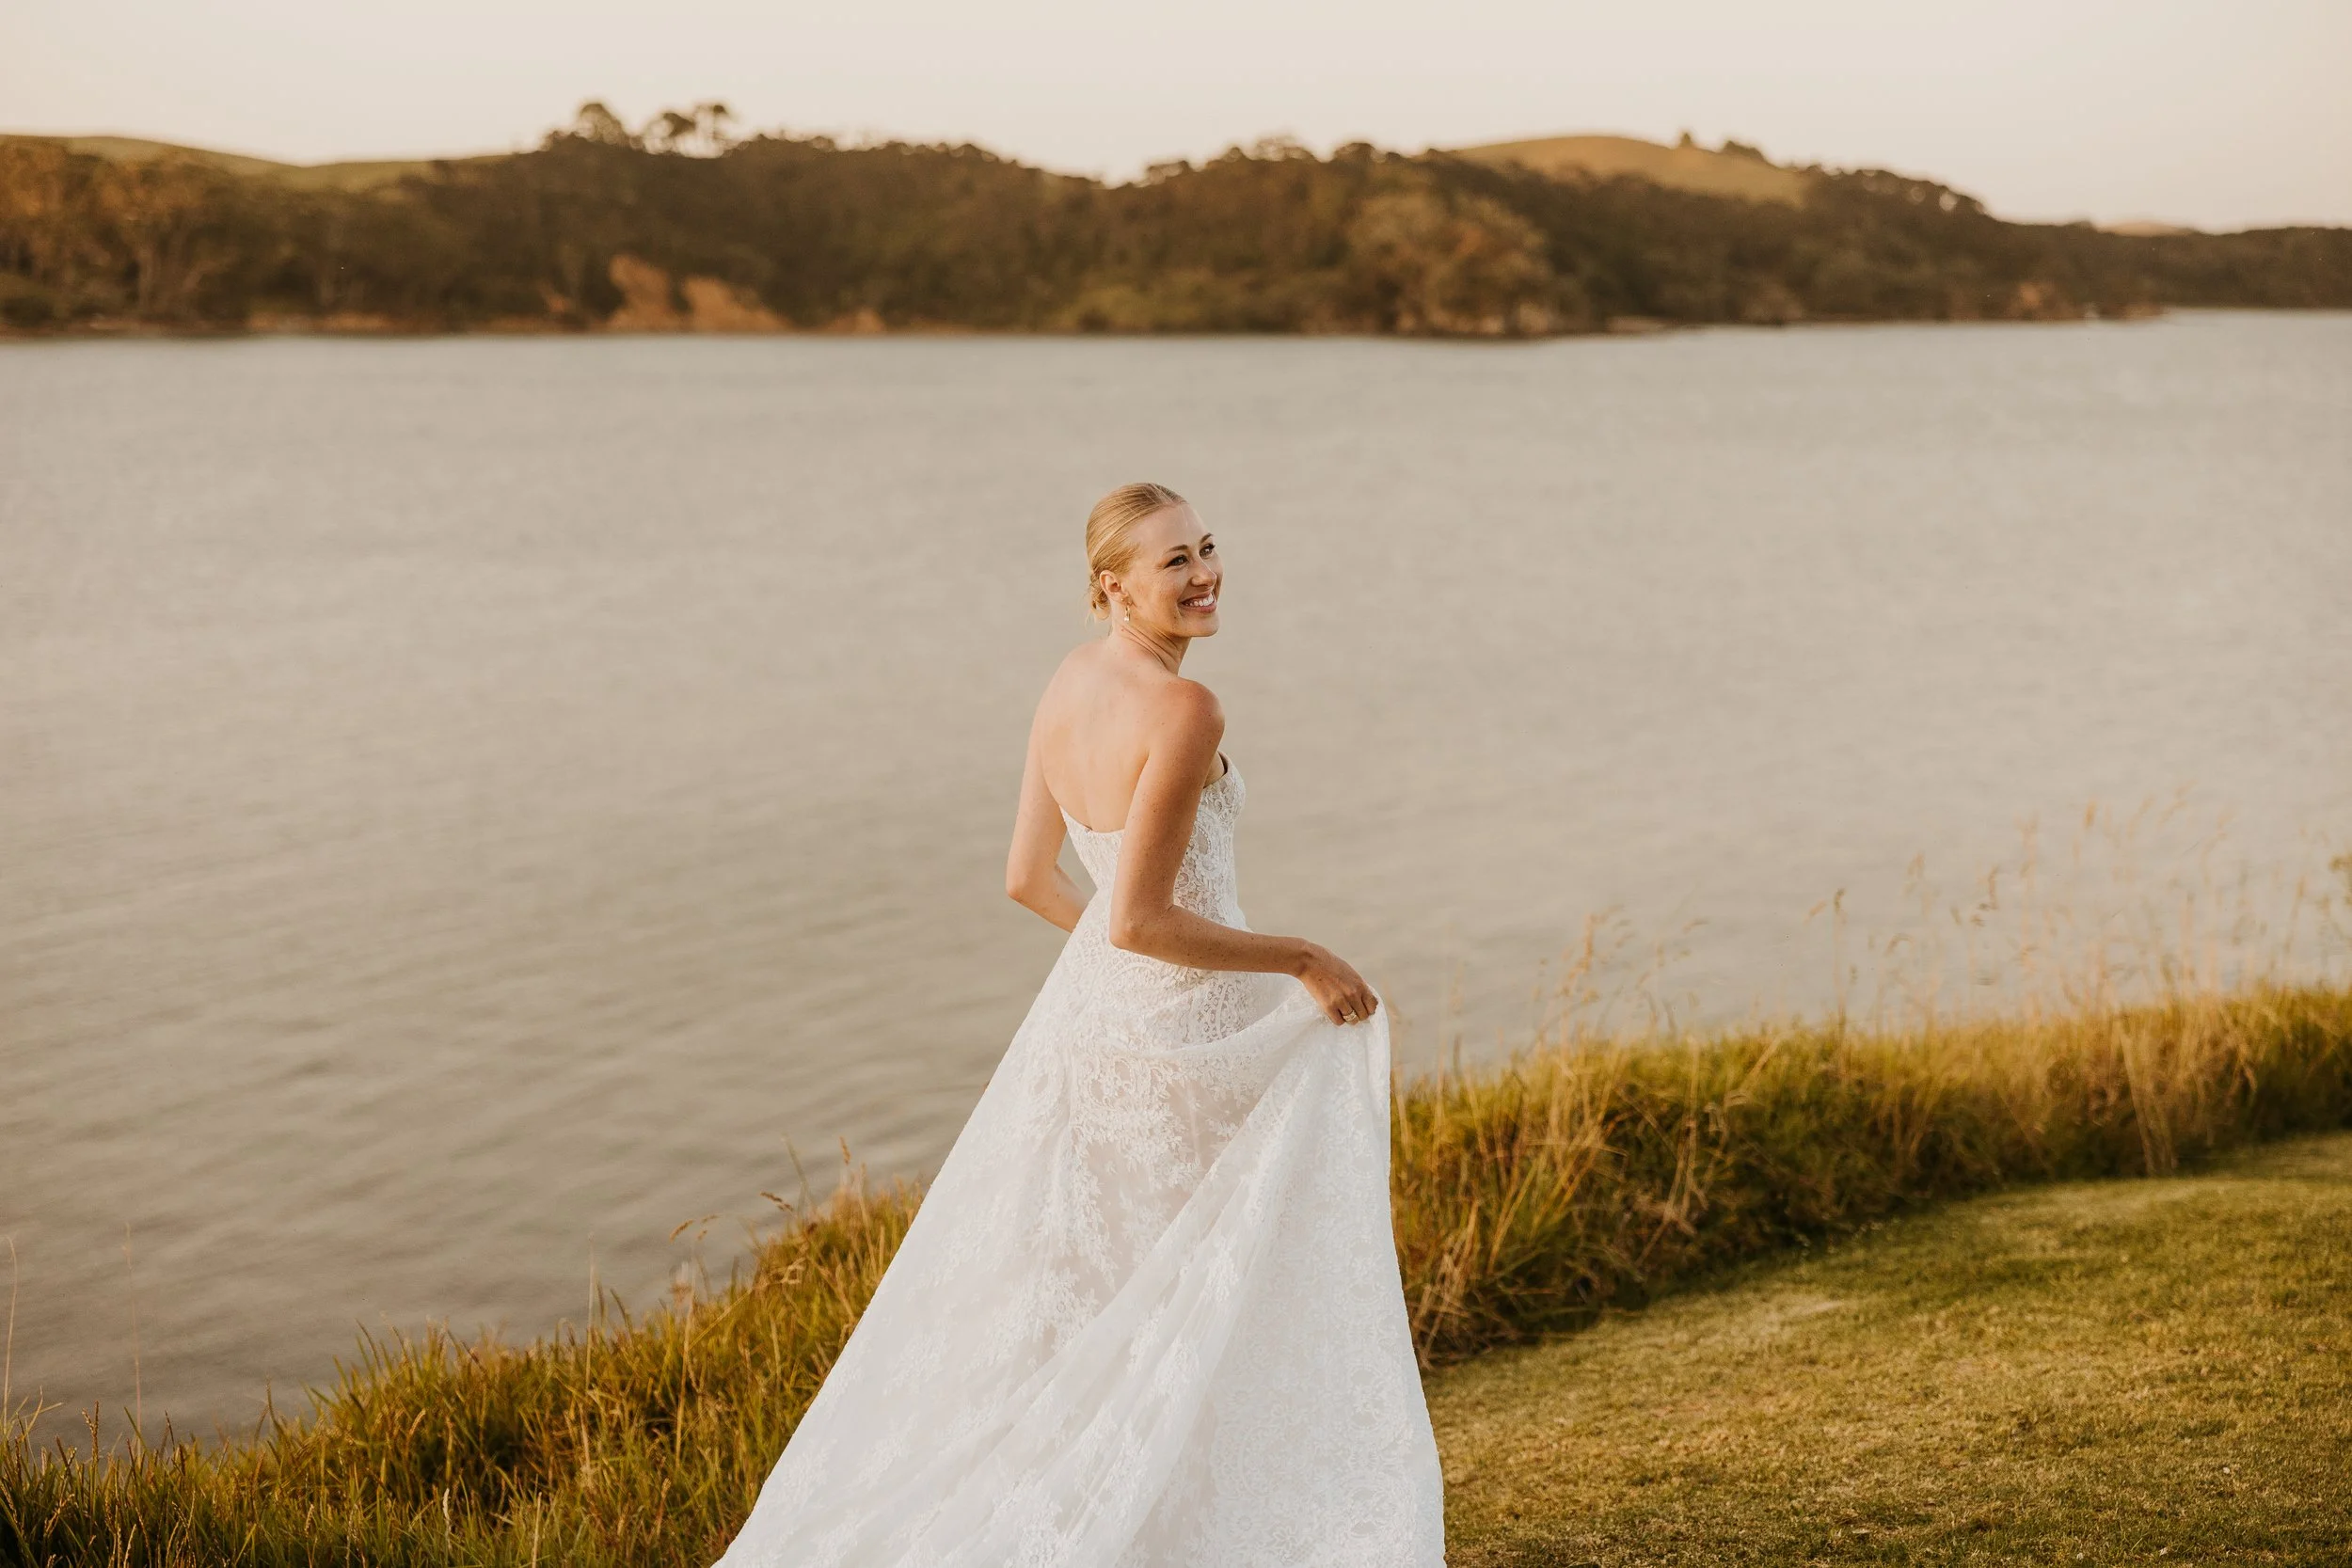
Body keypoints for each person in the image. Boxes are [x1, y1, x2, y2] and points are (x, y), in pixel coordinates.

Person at [713, 482, 1445, 1567]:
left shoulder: (1067, 682)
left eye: (1206, 547)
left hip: (1096, 1024)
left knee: (1123, 1284)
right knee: (1203, 1281)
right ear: (1113, 585)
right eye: (1171, 563)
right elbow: (1146, 918)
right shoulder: (1185, 710)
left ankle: (1145, 1517)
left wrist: (1109, 964)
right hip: (1183, 1029)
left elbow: (1029, 880)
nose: (1202, 574)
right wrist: (1299, 956)